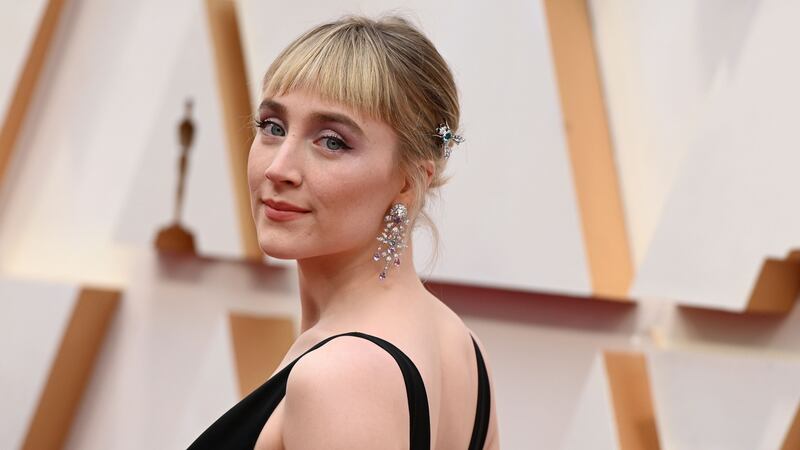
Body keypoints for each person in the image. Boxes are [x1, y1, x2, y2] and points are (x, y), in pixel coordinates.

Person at [188, 14, 499, 450]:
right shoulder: (463, 348)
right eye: (272, 128)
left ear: (408, 181)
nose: (279, 169)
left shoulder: (342, 377)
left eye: (332, 141)